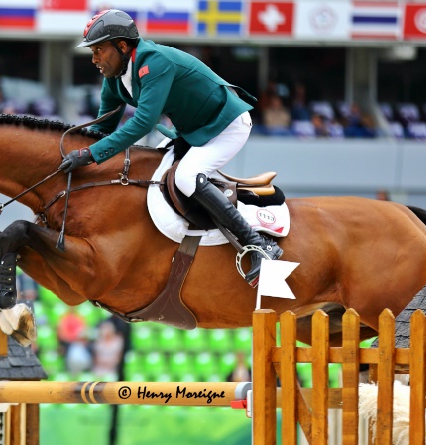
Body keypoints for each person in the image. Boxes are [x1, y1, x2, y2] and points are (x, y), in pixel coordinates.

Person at [60, 9, 282, 287]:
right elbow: (101, 131)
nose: (94, 59)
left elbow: (143, 122)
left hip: (227, 124)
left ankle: (259, 245)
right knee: (153, 168)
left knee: (186, 178)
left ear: (122, 45)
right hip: (193, 131)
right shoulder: (114, 79)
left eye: (99, 50)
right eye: (92, 51)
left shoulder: (154, 62)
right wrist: (73, 151)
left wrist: (90, 155)